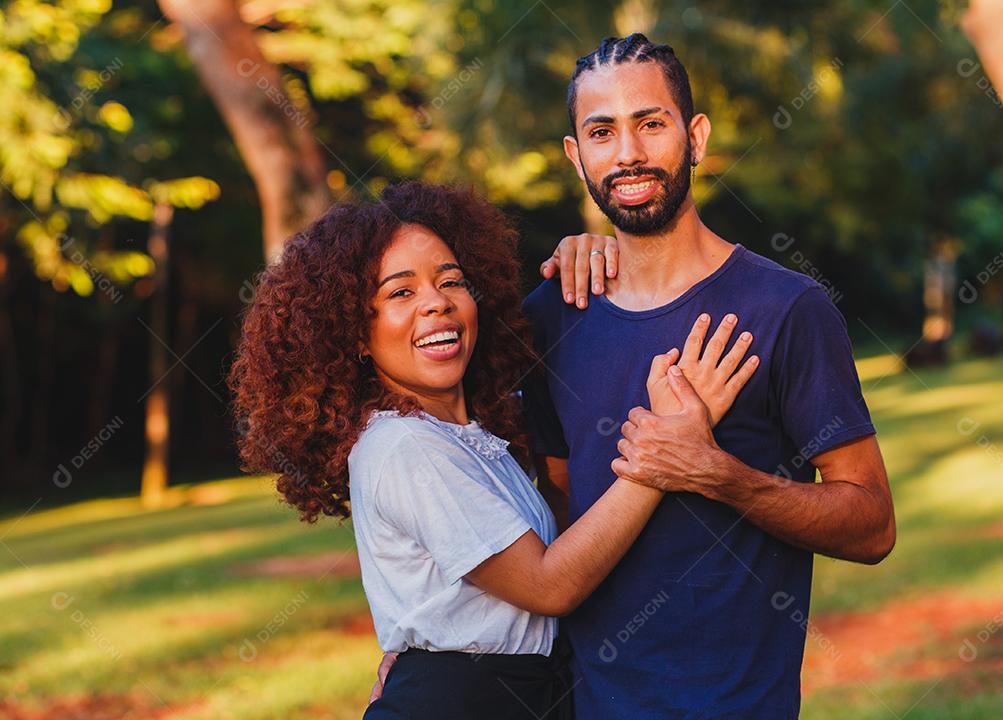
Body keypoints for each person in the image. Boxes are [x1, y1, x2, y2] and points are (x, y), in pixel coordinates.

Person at [372, 34, 897, 718]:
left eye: (651, 124)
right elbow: (551, 518)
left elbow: (873, 525)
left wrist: (719, 473)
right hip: (584, 704)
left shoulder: (787, 309)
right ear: (576, 156)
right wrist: (423, 658)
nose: (628, 154)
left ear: (696, 136)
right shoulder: (549, 317)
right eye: (601, 132)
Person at [227, 181, 758, 719]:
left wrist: (591, 248)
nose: (436, 302)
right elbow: (548, 586)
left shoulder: (471, 434)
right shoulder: (403, 445)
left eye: (451, 281)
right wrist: (662, 450)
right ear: (356, 335)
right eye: (400, 293)